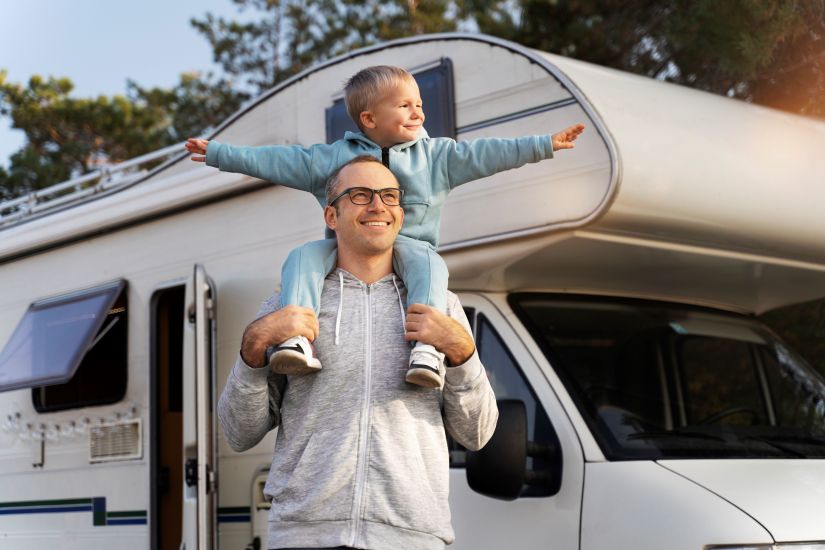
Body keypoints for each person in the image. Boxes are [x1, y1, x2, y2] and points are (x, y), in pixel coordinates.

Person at [188, 64, 584, 389]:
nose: (419, 113)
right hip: (348, 253)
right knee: (303, 255)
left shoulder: (437, 157)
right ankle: (297, 339)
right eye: (406, 106)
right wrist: (220, 153)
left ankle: (426, 352)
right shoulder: (332, 159)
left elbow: (489, 153)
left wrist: (544, 145)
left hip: (410, 248)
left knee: (431, 264)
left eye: (420, 104)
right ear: (369, 119)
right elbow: (276, 161)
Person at [218, 155, 498, 550]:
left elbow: (478, 434)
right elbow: (238, 433)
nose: (377, 206)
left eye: (389, 196)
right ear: (331, 216)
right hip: (305, 536)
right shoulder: (289, 305)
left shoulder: (441, 308)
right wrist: (251, 350)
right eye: (361, 195)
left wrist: (463, 353)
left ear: (400, 215)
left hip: (410, 537)